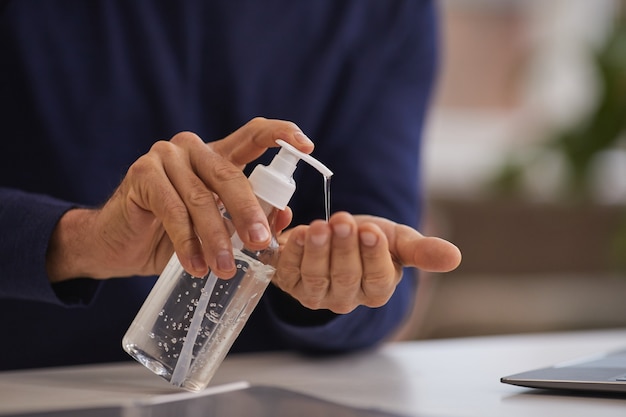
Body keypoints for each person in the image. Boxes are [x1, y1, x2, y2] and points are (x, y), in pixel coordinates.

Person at [0, 0, 461, 370]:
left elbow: (388, 269)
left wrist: (336, 277)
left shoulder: (385, 12)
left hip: (253, 391)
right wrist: (79, 242)